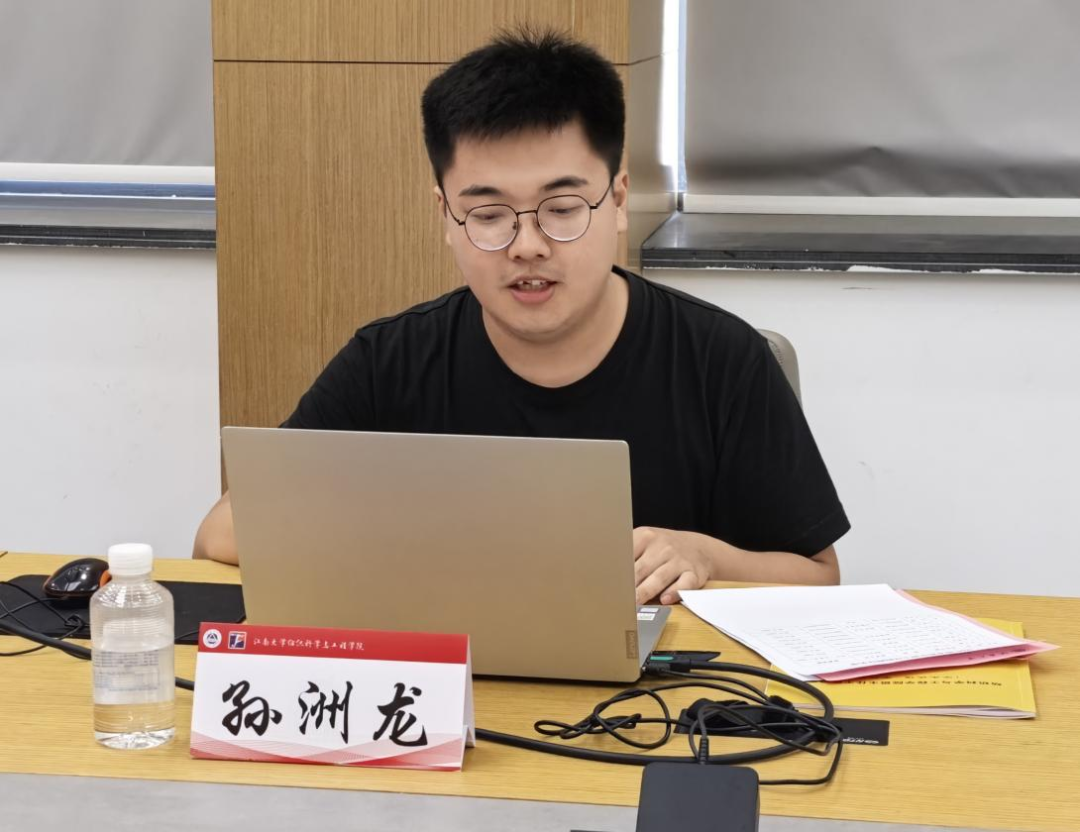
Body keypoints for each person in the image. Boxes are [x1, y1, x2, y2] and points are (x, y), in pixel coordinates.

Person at [195, 29, 850, 604]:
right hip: (455, 681)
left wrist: (707, 557)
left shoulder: (721, 359)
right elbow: (218, 536)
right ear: (446, 216)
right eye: (488, 215)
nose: (527, 245)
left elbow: (818, 577)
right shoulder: (389, 362)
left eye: (562, 209)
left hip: (663, 687)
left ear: (618, 200)